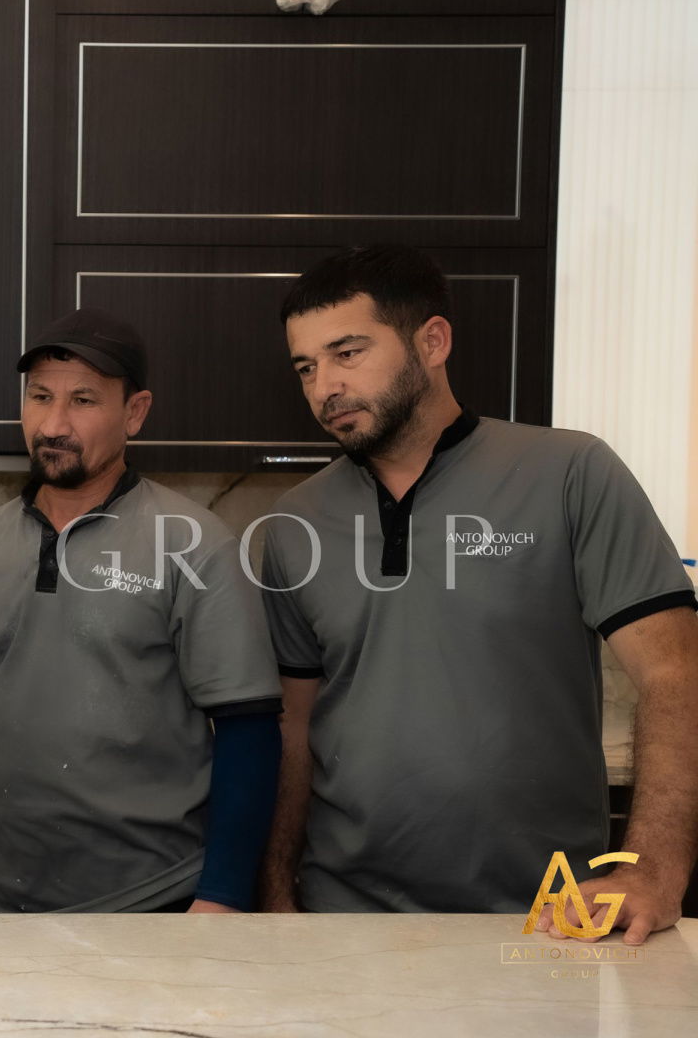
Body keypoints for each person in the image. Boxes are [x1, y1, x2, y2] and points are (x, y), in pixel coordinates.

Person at [258, 245, 698, 945]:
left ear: (432, 342)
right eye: (306, 367)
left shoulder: (571, 473)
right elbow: (294, 725)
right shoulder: (292, 524)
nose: (324, 388)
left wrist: (653, 870)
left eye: (348, 353)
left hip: (551, 918)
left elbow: (676, 671)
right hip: (344, 921)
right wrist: (277, 894)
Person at [0, 308, 283, 914]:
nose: (54, 424)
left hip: (146, 905)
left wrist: (223, 895)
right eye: (40, 397)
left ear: (135, 413)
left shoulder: (195, 545)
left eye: (84, 400)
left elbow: (247, 730)